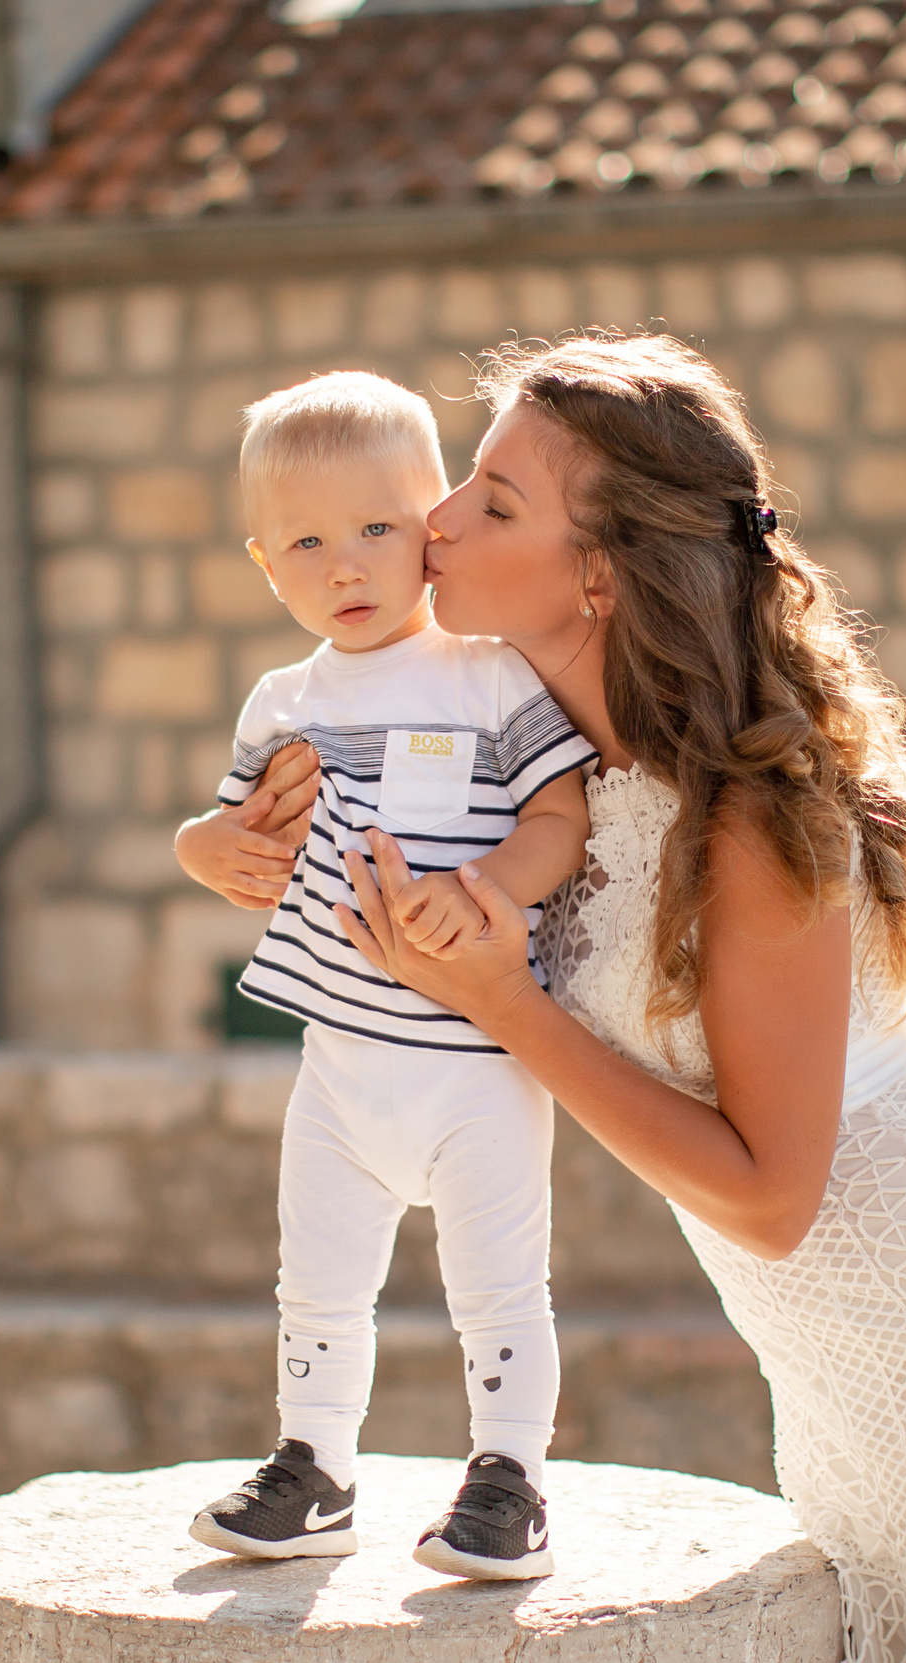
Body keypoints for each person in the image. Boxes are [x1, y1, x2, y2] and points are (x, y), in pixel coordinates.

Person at [315, 336, 906, 1663]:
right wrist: (234, 846)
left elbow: (773, 1195)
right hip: (845, 1385)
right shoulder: (552, 775)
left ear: (601, 574)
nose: (438, 521)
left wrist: (506, 1003)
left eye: (494, 501)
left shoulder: (746, 817)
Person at [172, 371, 595, 1580]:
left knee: (501, 1286)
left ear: (434, 527)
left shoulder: (488, 674)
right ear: (266, 566)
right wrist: (207, 848)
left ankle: (509, 1478)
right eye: (307, 542)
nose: (345, 566)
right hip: (341, 1065)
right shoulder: (284, 701)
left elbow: (559, 816)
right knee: (316, 1283)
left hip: (477, 1064)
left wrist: (492, 887)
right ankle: (315, 1468)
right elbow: (221, 830)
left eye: (375, 529)